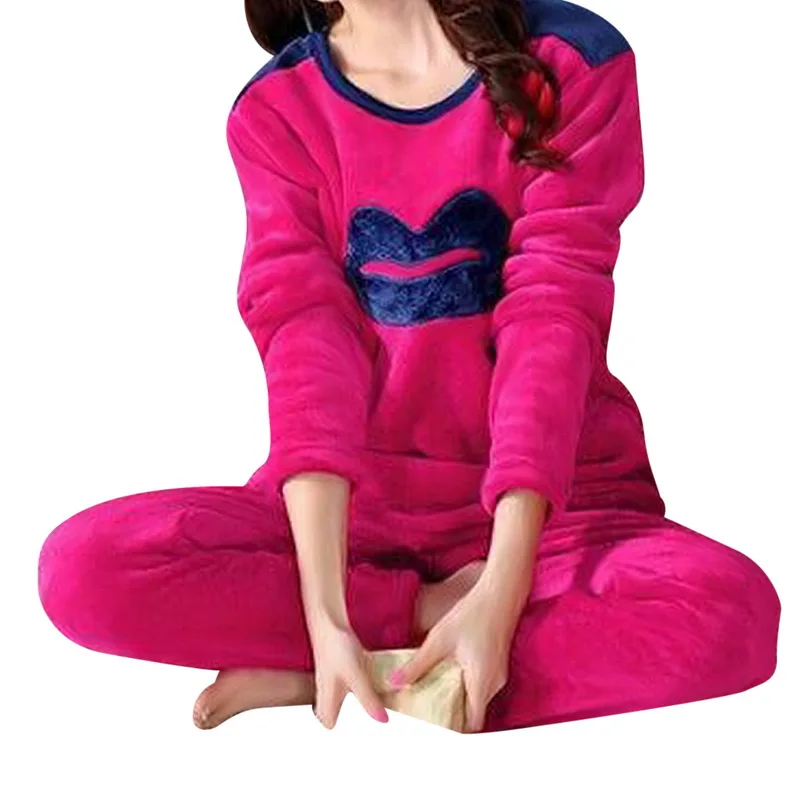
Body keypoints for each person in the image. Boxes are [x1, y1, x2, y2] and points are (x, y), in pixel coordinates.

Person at [37, 0, 782, 735]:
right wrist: (329, 611)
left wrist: (502, 586)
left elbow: (553, 317)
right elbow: (307, 349)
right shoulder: (277, 109)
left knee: (732, 616)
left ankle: (353, 673)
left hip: (553, 506)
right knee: (82, 572)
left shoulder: (572, 60)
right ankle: (406, 643)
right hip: (355, 516)